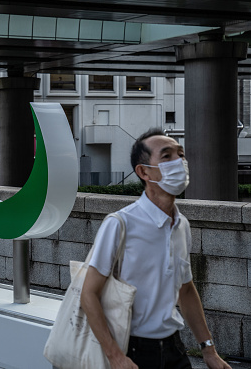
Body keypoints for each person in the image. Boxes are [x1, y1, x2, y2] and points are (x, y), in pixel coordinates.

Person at [81, 128, 231, 369]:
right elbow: (88, 293)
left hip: (174, 348)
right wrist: (115, 356)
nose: (179, 162)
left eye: (180, 155)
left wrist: (209, 350)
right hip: (132, 350)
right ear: (143, 172)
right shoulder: (120, 223)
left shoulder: (181, 224)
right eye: (167, 156)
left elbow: (186, 289)